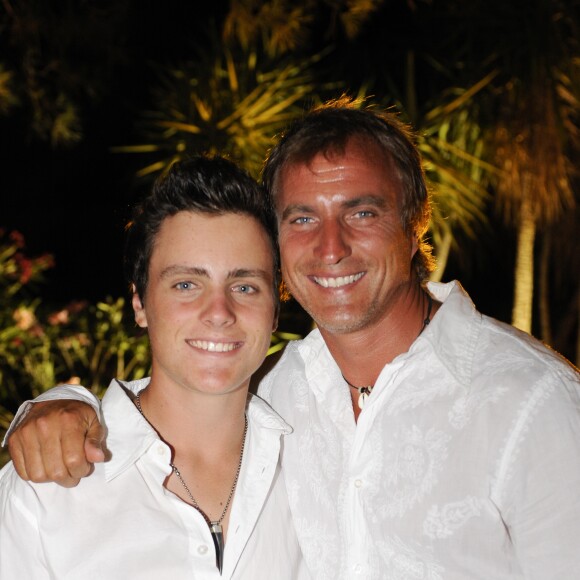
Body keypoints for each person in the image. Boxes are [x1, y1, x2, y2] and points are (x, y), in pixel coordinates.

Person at [6, 98, 580, 579]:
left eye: (361, 212)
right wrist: (62, 405)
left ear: (415, 221)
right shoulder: (284, 397)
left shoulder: (534, 402)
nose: (331, 248)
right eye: (303, 218)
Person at [0, 156, 310, 579]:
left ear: (274, 310)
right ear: (140, 304)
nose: (219, 312)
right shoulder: (46, 491)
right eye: (186, 284)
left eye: (244, 286)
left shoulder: (312, 465)